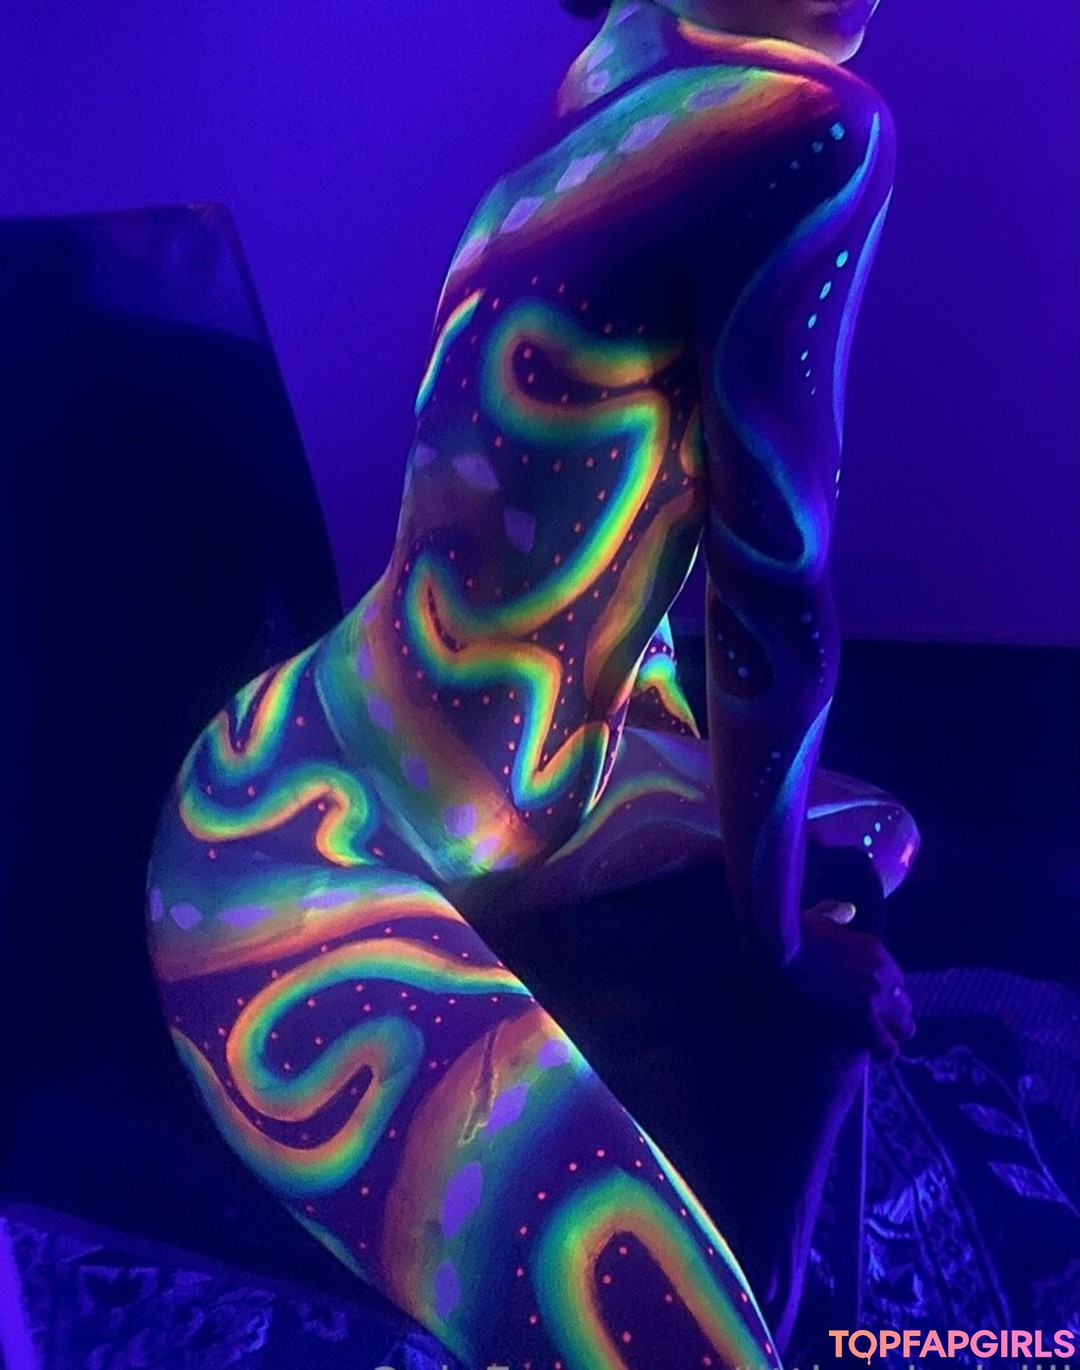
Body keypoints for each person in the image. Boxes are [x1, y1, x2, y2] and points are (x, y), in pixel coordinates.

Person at [147, 0, 919, 1363]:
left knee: (877, 833)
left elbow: (630, 527)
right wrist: (778, 952)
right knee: (673, 1339)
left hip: (499, 764)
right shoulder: (805, 126)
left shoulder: (624, 62)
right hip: (299, 835)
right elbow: (771, 584)